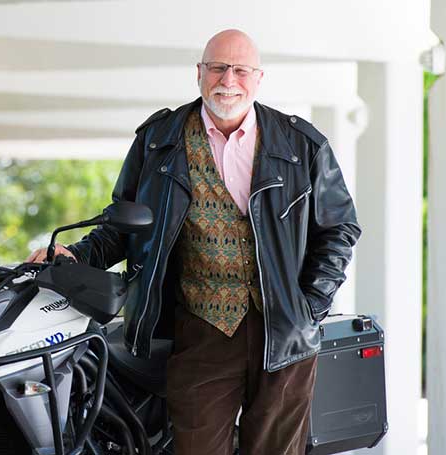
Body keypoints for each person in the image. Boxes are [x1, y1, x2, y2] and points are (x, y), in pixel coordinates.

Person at [27, 29, 360, 455]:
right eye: (218, 67)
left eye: (240, 70)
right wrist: (73, 255)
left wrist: (310, 306)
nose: (228, 79)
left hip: (285, 332)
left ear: (258, 78)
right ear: (199, 73)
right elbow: (124, 225)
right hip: (200, 329)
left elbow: (340, 227)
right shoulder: (157, 141)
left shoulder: (301, 145)